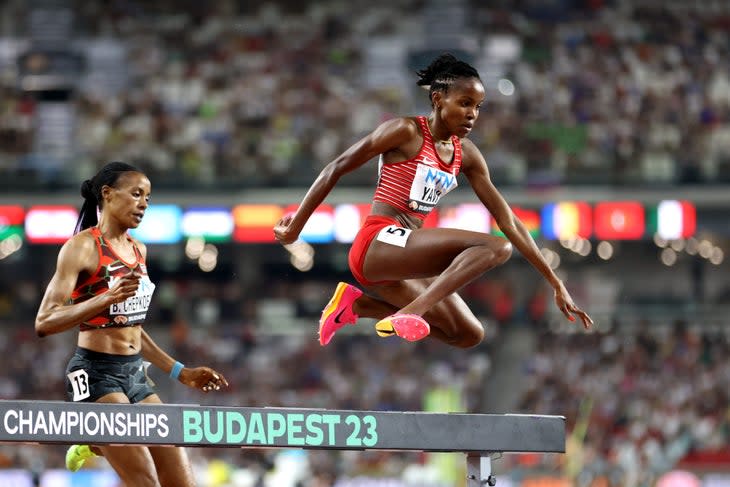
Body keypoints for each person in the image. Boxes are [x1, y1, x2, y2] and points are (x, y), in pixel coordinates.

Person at [274, 53, 593, 348]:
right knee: (497, 248)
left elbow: (507, 220)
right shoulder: (405, 130)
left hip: (405, 260)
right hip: (377, 244)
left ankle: (360, 305)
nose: (472, 114)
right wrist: (296, 226)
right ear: (438, 99)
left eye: (478, 106)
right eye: (465, 103)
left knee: (469, 335)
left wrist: (554, 281)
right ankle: (411, 312)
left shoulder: (466, 155)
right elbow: (336, 167)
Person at [35, 161, 229, 487]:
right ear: (108, 195)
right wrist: (103, 299)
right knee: (146, 483)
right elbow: (44, 321)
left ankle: (93, 441)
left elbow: (132, 329)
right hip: (95, 375)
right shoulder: (82, 247)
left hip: (135, 376)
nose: (144, 204)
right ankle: (95, 436)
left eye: (148, 198)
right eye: (137, 194)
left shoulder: (139, 250)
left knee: (183, 481)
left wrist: (182, 372)